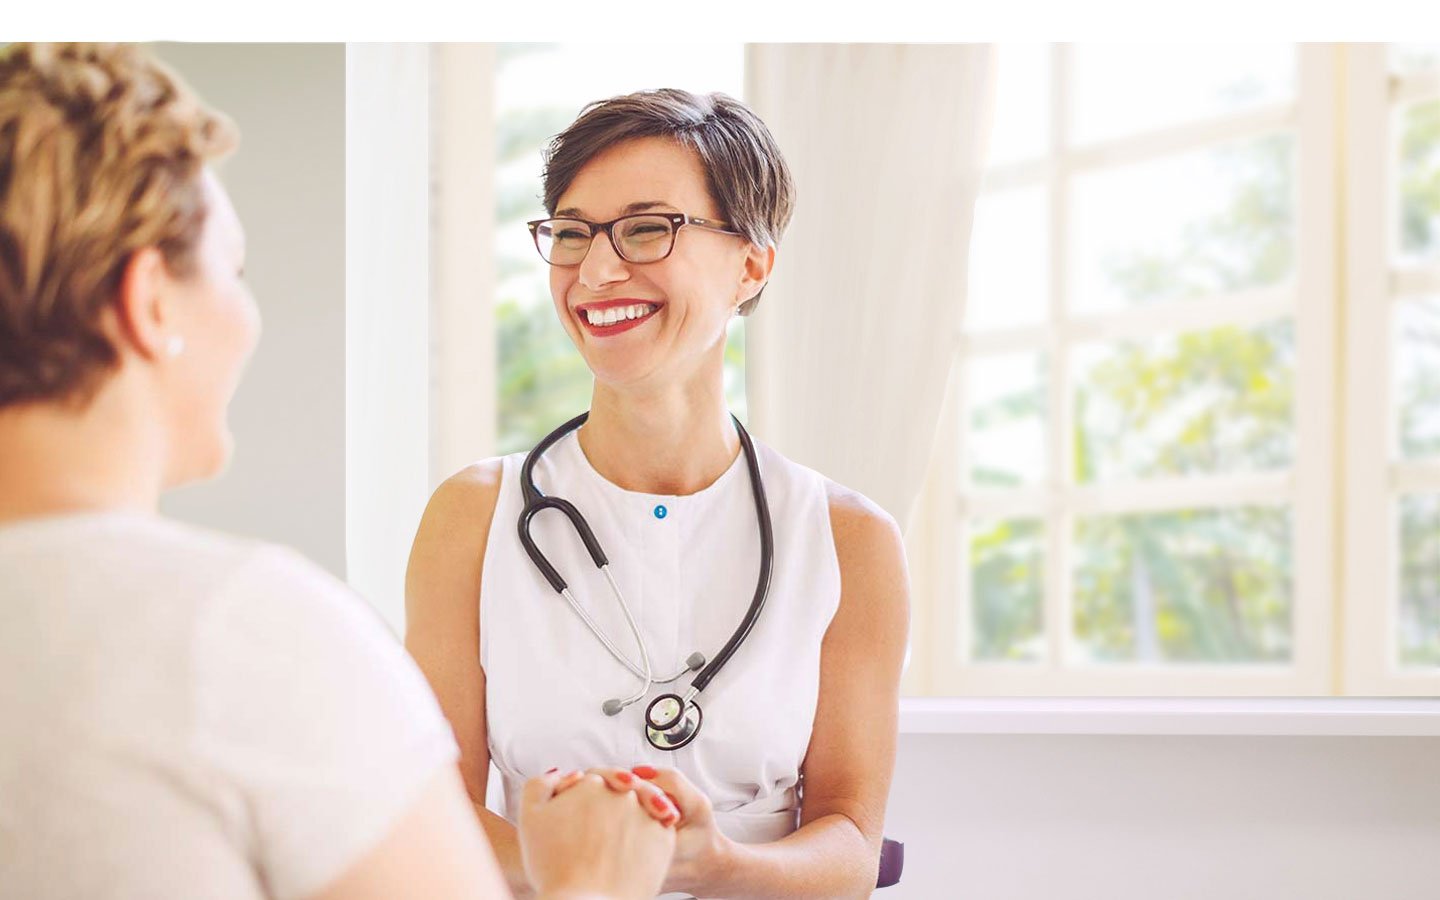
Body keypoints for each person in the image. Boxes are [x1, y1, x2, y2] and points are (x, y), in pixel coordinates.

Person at [0, 42, 678, 900]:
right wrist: (594, 880)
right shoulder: (246, 632)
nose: (247, 316)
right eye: (232, 269)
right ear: (151, 302)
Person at [406, 89, 911, 899]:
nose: (597, 271)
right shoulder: (473, 516)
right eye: (571, 234)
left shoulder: (849, 539)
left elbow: (851, 844)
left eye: (647, 228)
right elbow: (437, 809)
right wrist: (590, 870)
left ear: (751, 265)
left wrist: (714, 865)